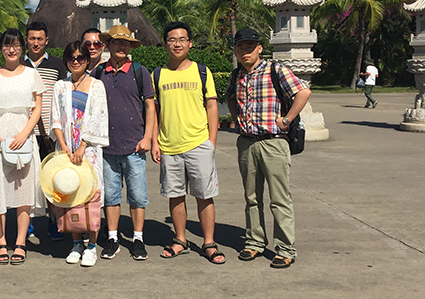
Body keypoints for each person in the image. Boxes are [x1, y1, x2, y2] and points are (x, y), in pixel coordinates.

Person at [225, 27, 311, 269]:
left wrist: (287, 119)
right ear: (236, 51)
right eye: (240, 47)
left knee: (279, 198)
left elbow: (303, 91)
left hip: (273, 142)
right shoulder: (236, 75)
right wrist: (236, 119)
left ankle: (285, 248)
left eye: (250, 46)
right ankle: (254, 241)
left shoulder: (275, 69)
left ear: (259, 48)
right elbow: (230, 96)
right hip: (247, 142)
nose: (245, 51)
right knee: (251, 197)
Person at [151, 22, 225, 263]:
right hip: (169, 145)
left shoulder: (202, 71)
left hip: (199, 143)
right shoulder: (157, 74)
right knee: (175, 195)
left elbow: (212, 106)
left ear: (190, 43)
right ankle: (180, 239)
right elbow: (155, 111)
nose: (177, 44)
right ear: (165, 44)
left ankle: (209, 242)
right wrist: (155, 141)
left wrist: (211, 141)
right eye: (172, 39)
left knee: (204, 195)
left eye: (182, 39)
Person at [0, 28, 46, 265]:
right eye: (7, 45)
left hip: (23, 136)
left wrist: (25, 133)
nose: (11, 49)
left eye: (16, 45)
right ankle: (0, 242)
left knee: (23, 191)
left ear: (22, 48)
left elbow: (37, 107)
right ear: (1, 49)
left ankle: (20, 242)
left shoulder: (31, 74)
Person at [94, 25, 156, 261]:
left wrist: (148, 137)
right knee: (111, 196)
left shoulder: (140, 72)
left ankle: (138, 238)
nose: (122, 46)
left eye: (126, 43)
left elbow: (150, 106)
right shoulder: (99, 72)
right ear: (108, 45)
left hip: (134, 146)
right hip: (107, 147)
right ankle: (113, 238)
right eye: (117, 42)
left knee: (137, 196)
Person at [50, 41, 109, 266]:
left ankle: (92, 246)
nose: (76, 62)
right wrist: (64, 146)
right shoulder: (60, 86)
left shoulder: (96, 85)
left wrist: (82, 146)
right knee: (69, 194)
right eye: (71, 58)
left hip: (88, 150)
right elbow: (55, 118)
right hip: (65, 149)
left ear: (87, 60)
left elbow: (98, 118)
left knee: (90, 195)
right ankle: (76, 243)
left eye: (80, 58)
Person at [23, 21, 66, 240]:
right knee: (26, 180)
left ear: (46, 41)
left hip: (50, 134)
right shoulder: (19, 64)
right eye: (32, 38)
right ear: (26, 40)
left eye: (40, 39)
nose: (36, 43)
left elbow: (63, 96)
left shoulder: (58, 65)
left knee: (52, 180)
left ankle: (54, 221)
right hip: (26, 134)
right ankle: (27, 224)